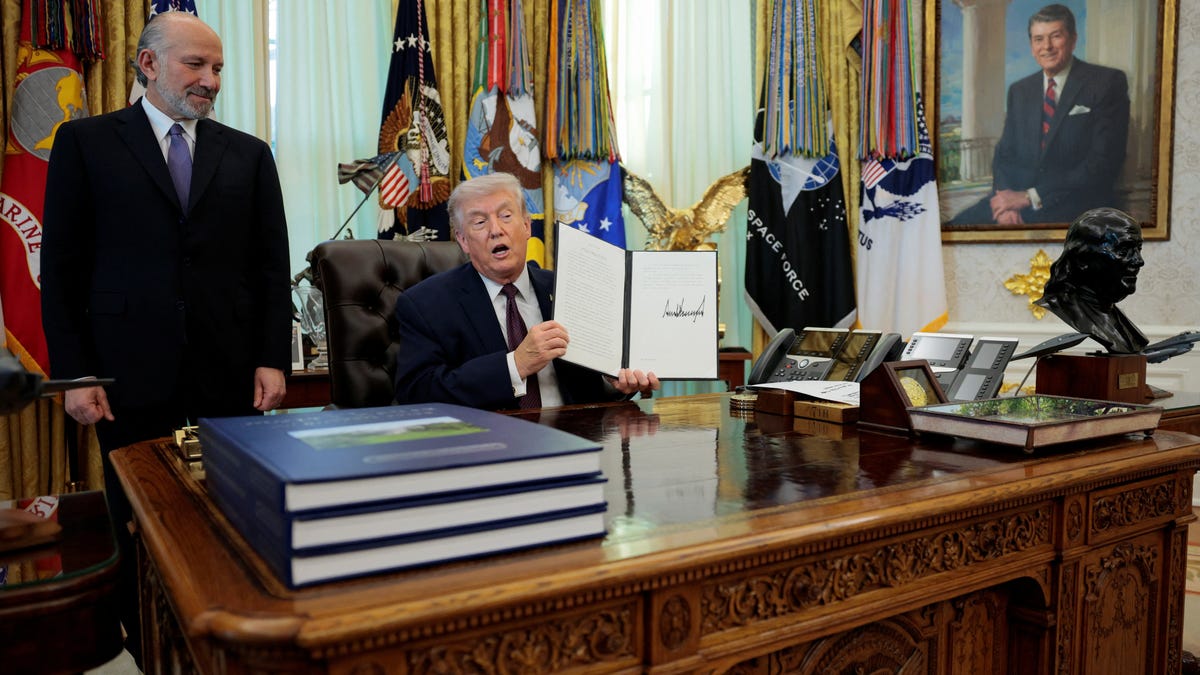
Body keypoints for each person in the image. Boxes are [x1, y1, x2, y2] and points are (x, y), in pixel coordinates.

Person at [39, 11, 292, 661]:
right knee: (139, 516)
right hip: (125, 371)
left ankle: (227, 636)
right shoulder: (86, 143)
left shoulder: (249, 154)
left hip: (229, 370)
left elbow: (271, 266)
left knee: (229, 515)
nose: (210, 80)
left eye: (218, 69)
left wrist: (272, 357)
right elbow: (62, 269)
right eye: (196, 65)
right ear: (148, 64)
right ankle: (148, 642)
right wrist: (76, 373)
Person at [393, 172, 659, 408]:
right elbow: (417, 392)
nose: (496, 230)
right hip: (491, 449)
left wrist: (617, 384)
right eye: (479, 222)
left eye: (506, 216)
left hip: (579, 440)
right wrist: (515, 365)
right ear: (463, 240)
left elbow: (592, 391)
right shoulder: (426, 304)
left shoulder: (570, 288)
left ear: (527, 226)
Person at [949, 4, 1129, 225]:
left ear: (1073, 40)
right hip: (1016, 202)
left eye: (1055, 36)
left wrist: (1030, 197)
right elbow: (1004, 155)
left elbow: (1102, 164)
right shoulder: (1020, 91)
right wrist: (1005, 203)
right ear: (1031, 46)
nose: (1047, 47)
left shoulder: (1105, 83)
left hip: (1076, 204)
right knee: (951, 232)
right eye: (1038, 39)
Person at [1036, 207, 1147, 354]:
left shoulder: (1120, 322)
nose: (1139, 261)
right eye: (1123, 251)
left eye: (1138, 249)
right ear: (1082, 259)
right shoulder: (1065, 308)